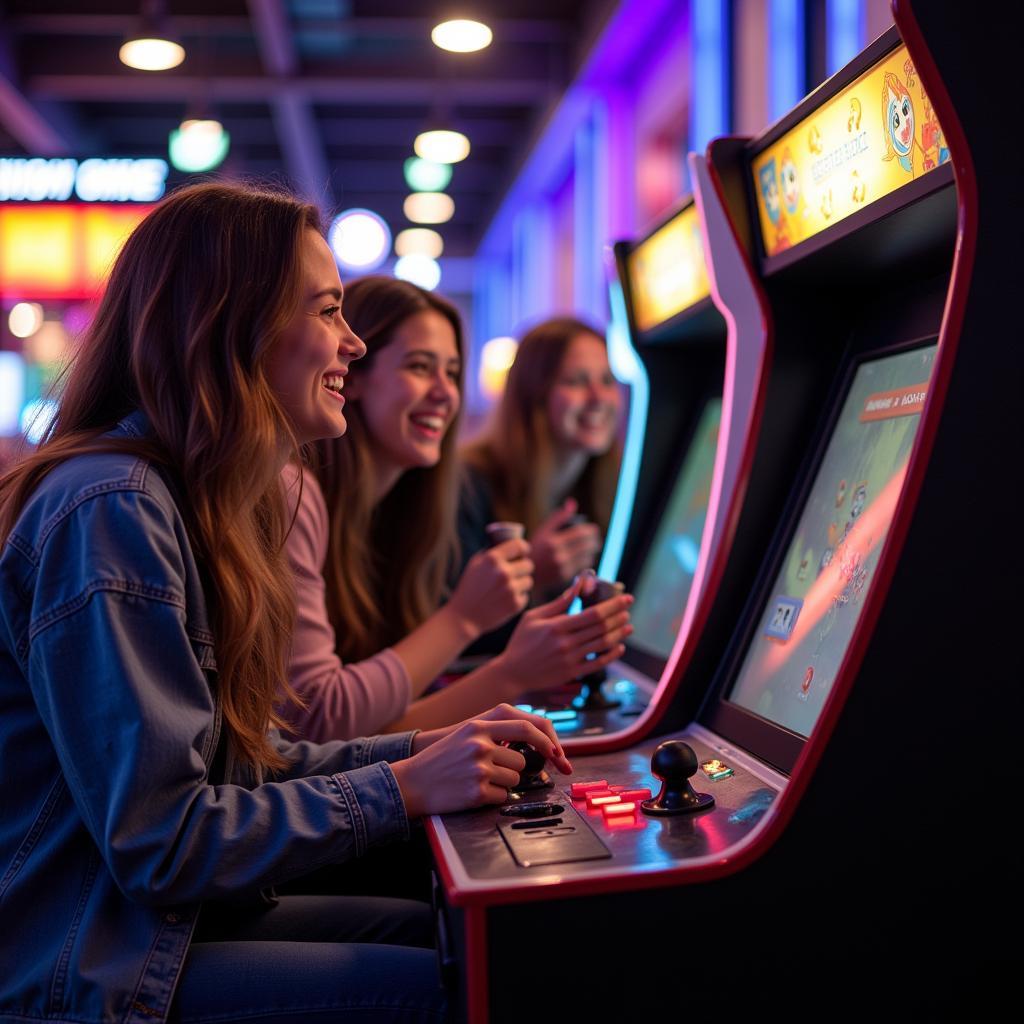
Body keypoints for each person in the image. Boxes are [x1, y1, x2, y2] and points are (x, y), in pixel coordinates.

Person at [0, 182, 572, 1024]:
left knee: (446, 928)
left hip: (148, 925)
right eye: (329, 311)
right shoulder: (111, 507)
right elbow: (164, 841)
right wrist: (405, 784)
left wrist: (426, 747)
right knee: (466, 988)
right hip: (81, 957)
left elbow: (244, 766)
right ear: (231, 325)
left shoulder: (190, 501)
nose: (352, 342)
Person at [286, 276, 633, 740]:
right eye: (419, 367)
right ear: (352, 375)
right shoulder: (297, 496)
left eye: (451, 373)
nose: (445, 394)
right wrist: (487, 639)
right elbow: (320, 726)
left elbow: (379, 725)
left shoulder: (408, 507)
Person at [458, 317, 623, 653]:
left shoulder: (610, 485)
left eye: (606, 380)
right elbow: (455, 646)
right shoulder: (468, 485)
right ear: (534, 394)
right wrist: (530, 576)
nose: (598, 397)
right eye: (577, 381)